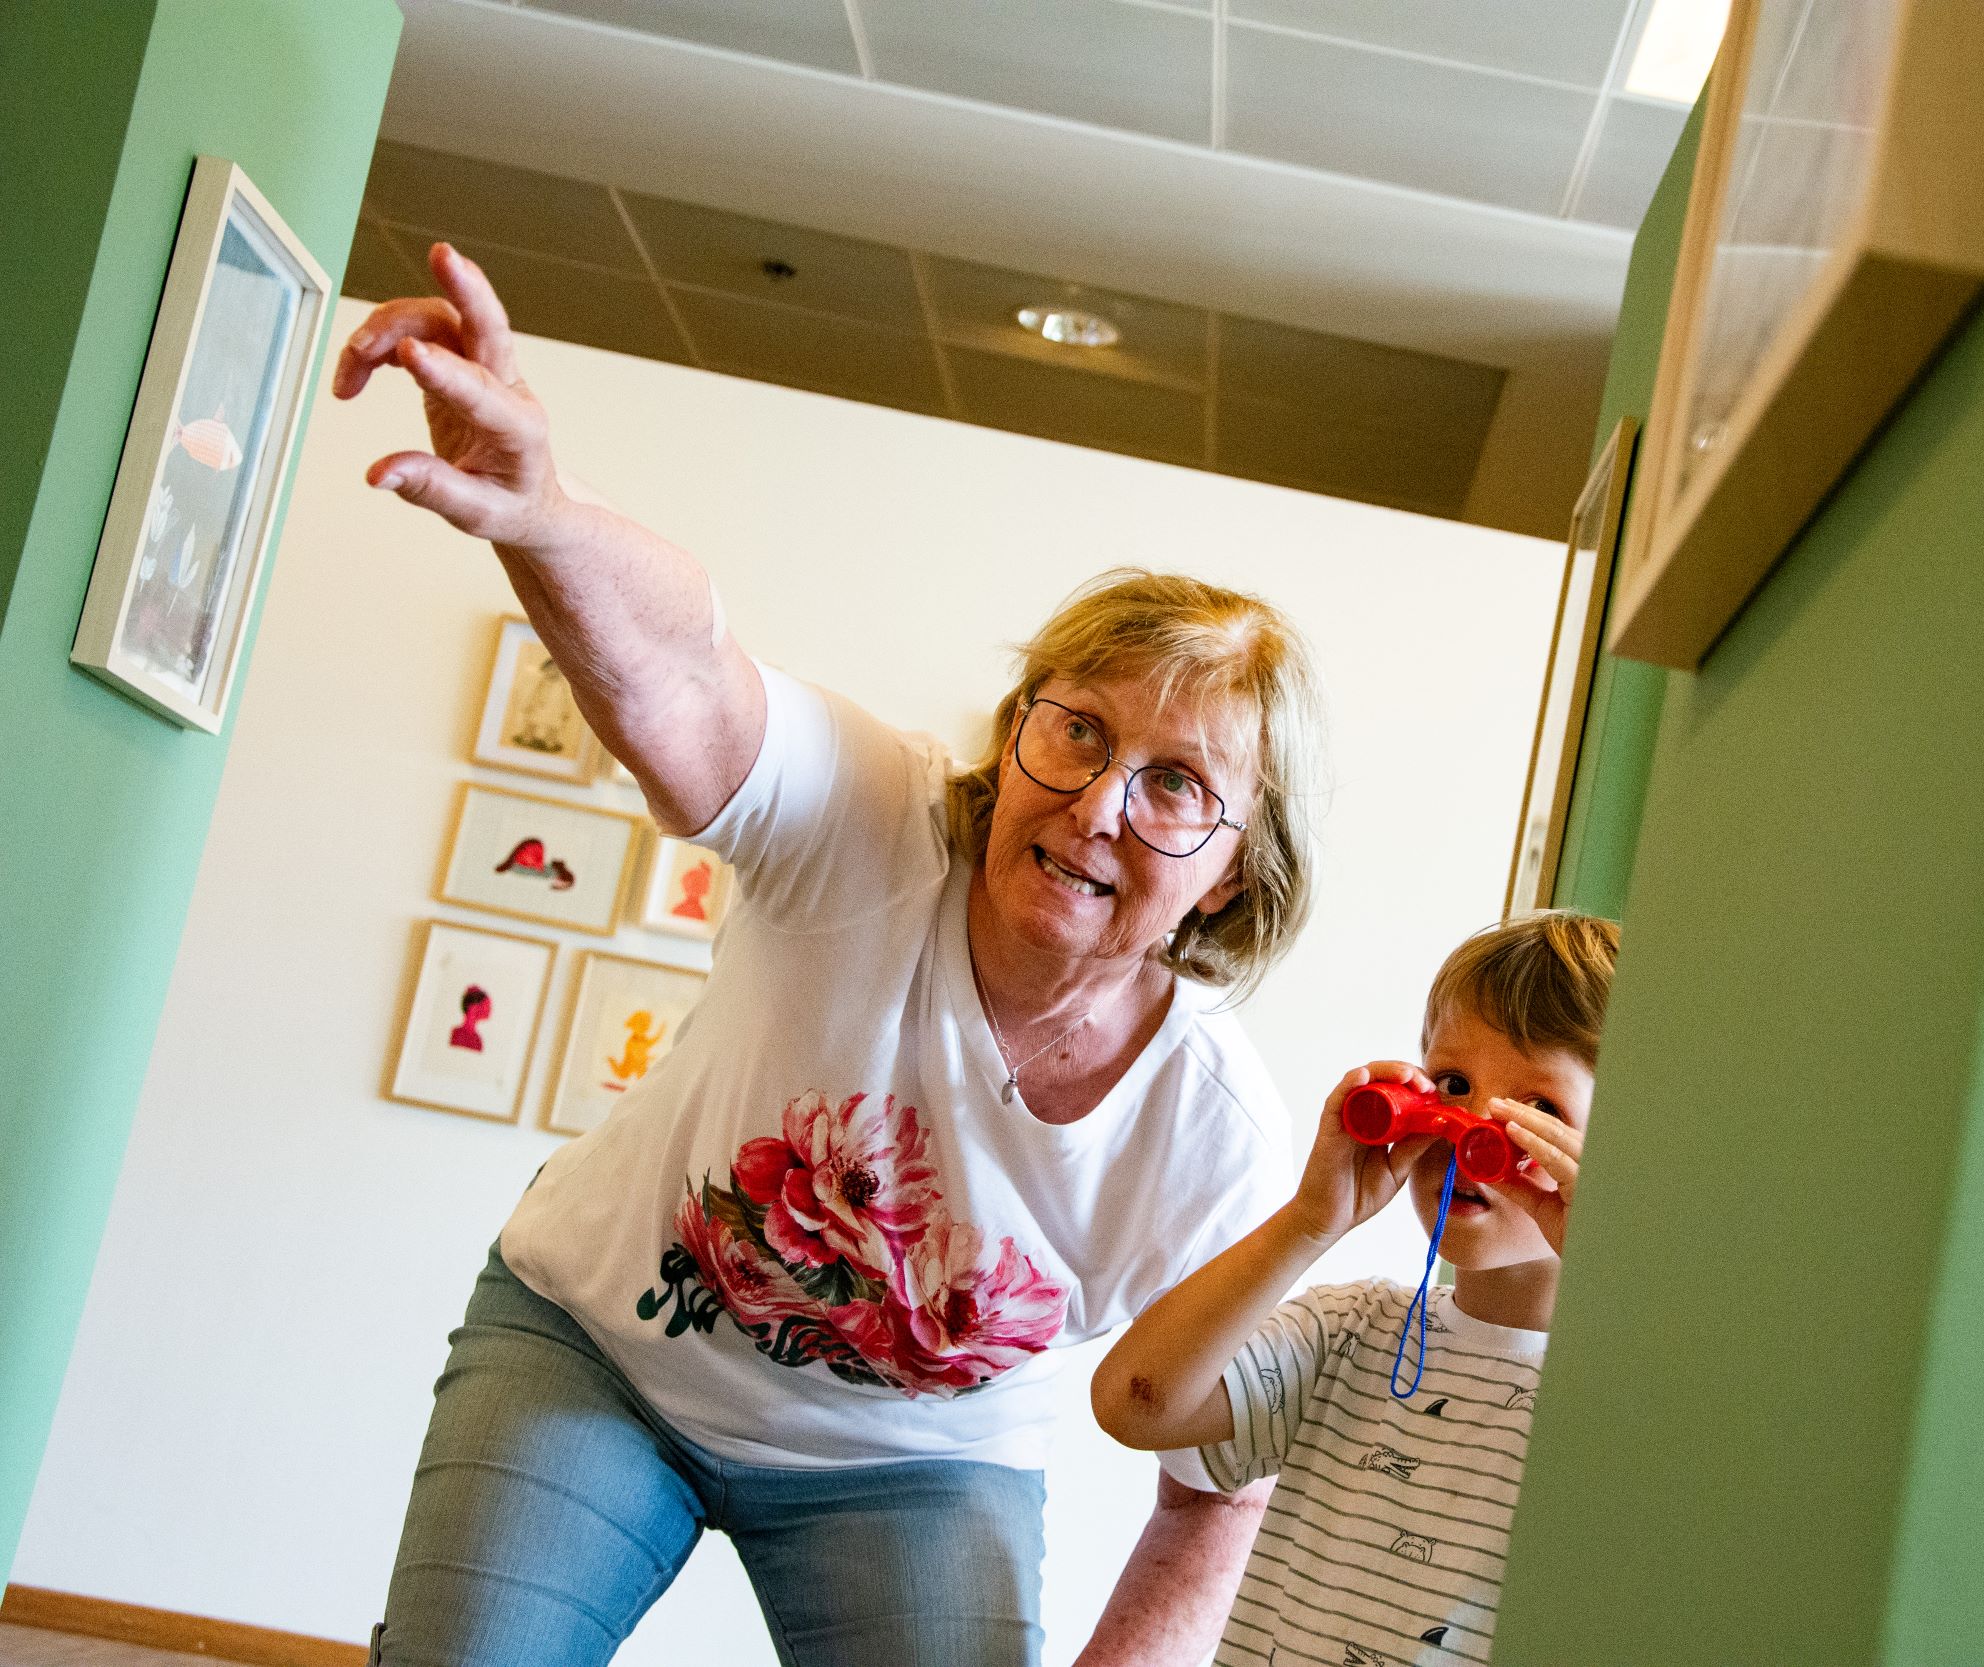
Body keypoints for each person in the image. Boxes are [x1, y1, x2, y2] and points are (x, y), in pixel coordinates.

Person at [336, 241, 1327, 1666]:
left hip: (916, 1467)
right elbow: (689, 674)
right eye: (1081, 727)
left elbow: (1218, 1484)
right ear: (1018, 729)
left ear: (1234, 872)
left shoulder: (1209, 1131)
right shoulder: (877, 821)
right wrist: (544, 516)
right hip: (596, 1354)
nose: (1102, 800)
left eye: (1178, 783)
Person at [1093, 911, 1619, 1666]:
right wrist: (1309, 1221)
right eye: (1453, 1084)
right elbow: (1131, 1401)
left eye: (1538, 1109)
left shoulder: (1622, 1400)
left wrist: (1612, 1266)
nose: (1473, 1131)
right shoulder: (1349, 1333)